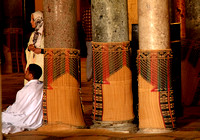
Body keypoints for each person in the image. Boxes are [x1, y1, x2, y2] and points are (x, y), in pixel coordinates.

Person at [2, 64, 43, 134]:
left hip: (25, 119)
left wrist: (8, 110)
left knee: (2, 116)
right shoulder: (41, 85)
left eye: (27, 71)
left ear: (31, 75)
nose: (25, 73)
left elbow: (17, 109)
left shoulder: (26, 90)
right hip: (36, 120)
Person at [25, 11, 44, 84]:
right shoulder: (33, 35)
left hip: (41, 64)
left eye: (33, 19)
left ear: (38, 20)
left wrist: (41, 51)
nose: (30, 21)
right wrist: (30, 48)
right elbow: (28, 49)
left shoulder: (46, 35)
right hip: (32, 63)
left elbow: (51, 50)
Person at [82, 0, 92, 81]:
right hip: (98, 39)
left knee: (89, 57)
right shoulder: (99, 12)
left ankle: (89, 75)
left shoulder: (86, 12)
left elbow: (83, 26)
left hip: (88, 38)